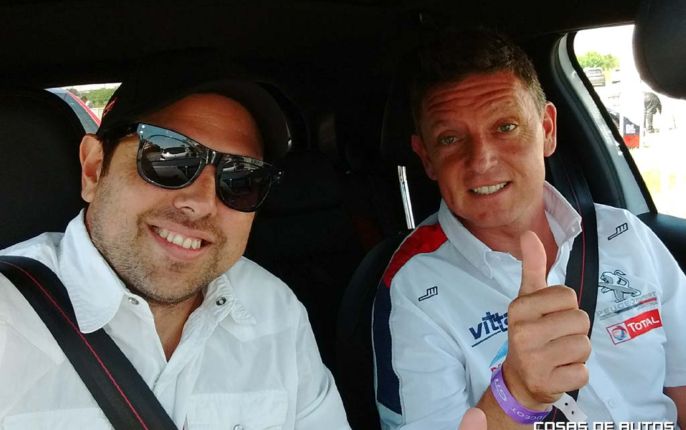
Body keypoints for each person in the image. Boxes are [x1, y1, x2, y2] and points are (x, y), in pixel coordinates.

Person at [0, 63, 350, 429]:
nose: (202, 203)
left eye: (241, 178)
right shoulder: (8, 317)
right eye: (169, 158)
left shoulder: (275, 311)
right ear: (94, 168)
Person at [372, 28, 686, 429]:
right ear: (427, 158)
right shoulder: (413, 288)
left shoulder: (623, 234)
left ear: (547, 130)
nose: (482, 160)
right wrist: (515, 394)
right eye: (450, 138)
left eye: (505, 127)